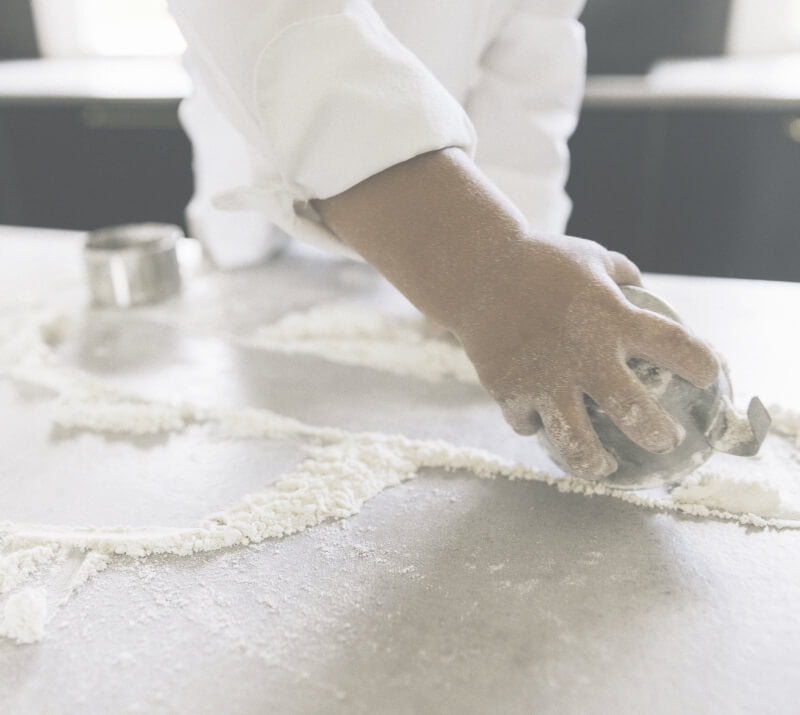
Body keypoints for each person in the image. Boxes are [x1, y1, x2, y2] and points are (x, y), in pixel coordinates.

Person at [167, 0, 719, 479]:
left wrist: (517, 257)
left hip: (453, 200)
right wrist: (487, 272)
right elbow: (284, 32)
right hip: (263, 194)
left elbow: (527, 86)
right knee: (267, 424)